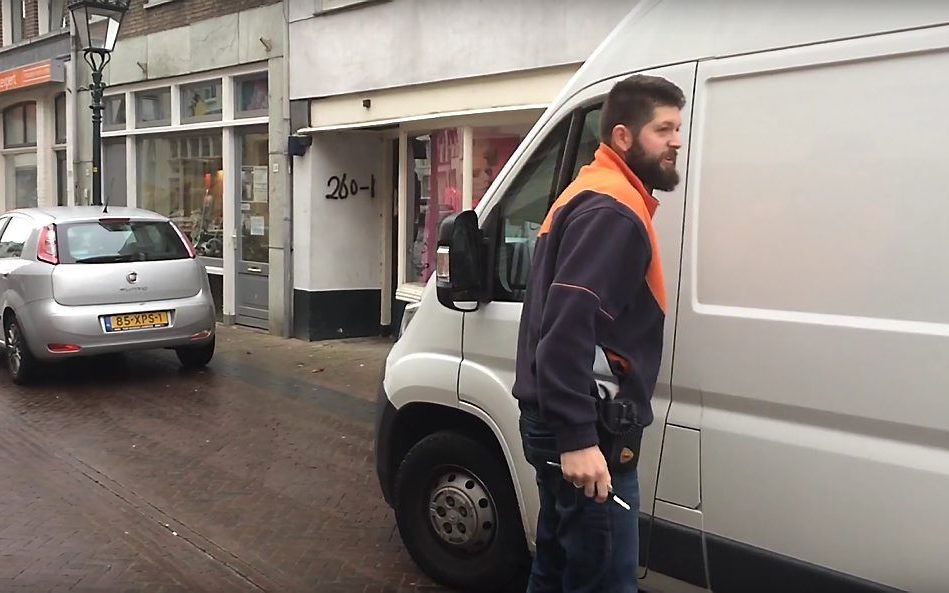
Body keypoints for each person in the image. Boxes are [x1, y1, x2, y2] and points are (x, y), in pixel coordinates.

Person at [512, 74, 685, 593]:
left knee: (559, 566)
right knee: (604, 579)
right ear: (623, 137)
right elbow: (568, 327)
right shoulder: (613, 208)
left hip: (565, 421)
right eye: (664, 129)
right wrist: (579, 437)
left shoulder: (588, 189)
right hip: (593, 433)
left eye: (678, 128)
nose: (677, 140)